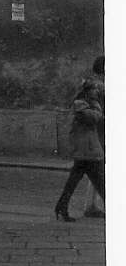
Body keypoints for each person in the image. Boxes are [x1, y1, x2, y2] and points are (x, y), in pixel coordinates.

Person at [54, 78, 105, 222]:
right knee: (100, 184)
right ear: (86, 92)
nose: (97, 91)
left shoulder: (88, 105)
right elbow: (93, 118)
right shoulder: (80, 106)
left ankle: (61, 206)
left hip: (87, 151)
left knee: (75, 182)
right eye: (94, 89)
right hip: (86, 151)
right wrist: (97, 106)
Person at [83, 55, 105, 218]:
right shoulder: (101, 86)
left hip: (94, 130)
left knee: (97, 168)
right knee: (99, 167)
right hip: (100, 130)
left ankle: (92, 205)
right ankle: (93, 205)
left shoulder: (93, 84)